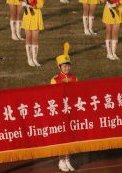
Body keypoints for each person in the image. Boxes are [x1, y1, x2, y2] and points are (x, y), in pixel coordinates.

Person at [51, 42, 77, 172]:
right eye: (64, 66)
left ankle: (68, 159)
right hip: (61, 112)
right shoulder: (55, 80)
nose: (67, 68)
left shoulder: (74, 78)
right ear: (59, 67)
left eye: (68, 65)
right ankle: (61, 160)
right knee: (62, 137)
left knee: (70, 136)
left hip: (71, 111)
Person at [22, 0, 45, 67]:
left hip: (35, 14)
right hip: (27, 15)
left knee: (35, 37)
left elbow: (40, 4)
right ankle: (29, 58)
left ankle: (35, 58)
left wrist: (30, 6)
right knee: (28, 37)